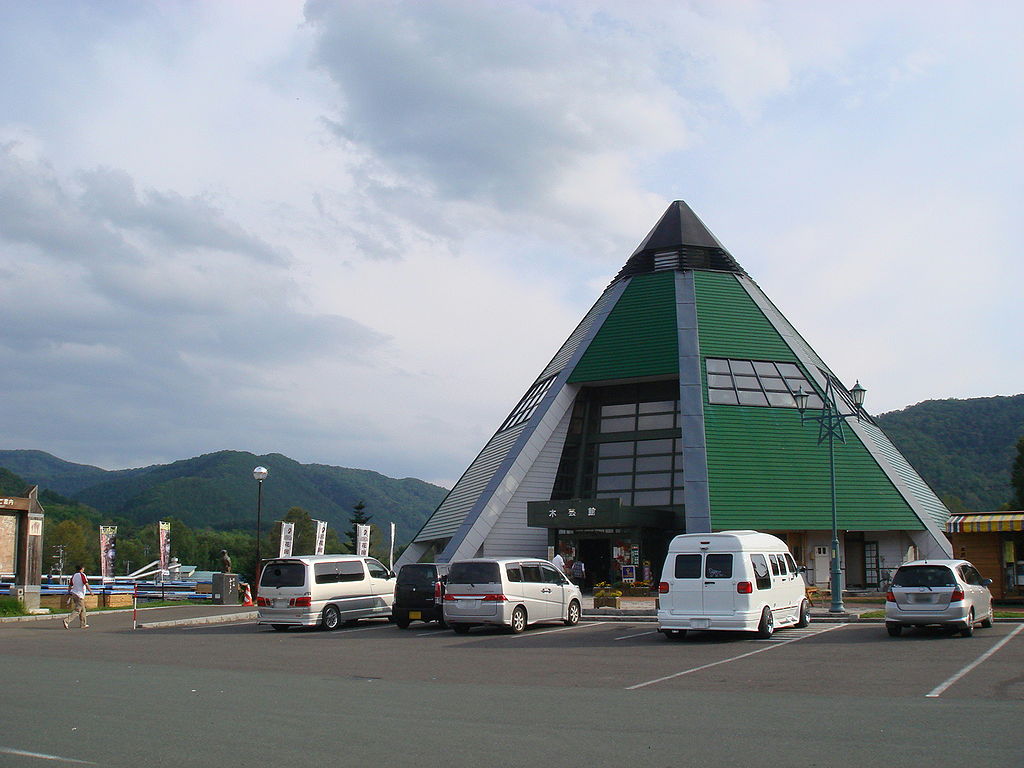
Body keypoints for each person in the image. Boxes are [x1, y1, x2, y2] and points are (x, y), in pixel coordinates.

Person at [63, 565, 93, 629]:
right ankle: (67, 620)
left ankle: (83, 624)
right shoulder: (82, 575)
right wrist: (90, 591)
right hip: (79, 595)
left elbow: (70, 585)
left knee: (83, 609)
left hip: (74, 593)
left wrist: (69, 593)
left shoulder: (74, 576)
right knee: (78, 609)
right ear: (81, 569)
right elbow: (86, 583)